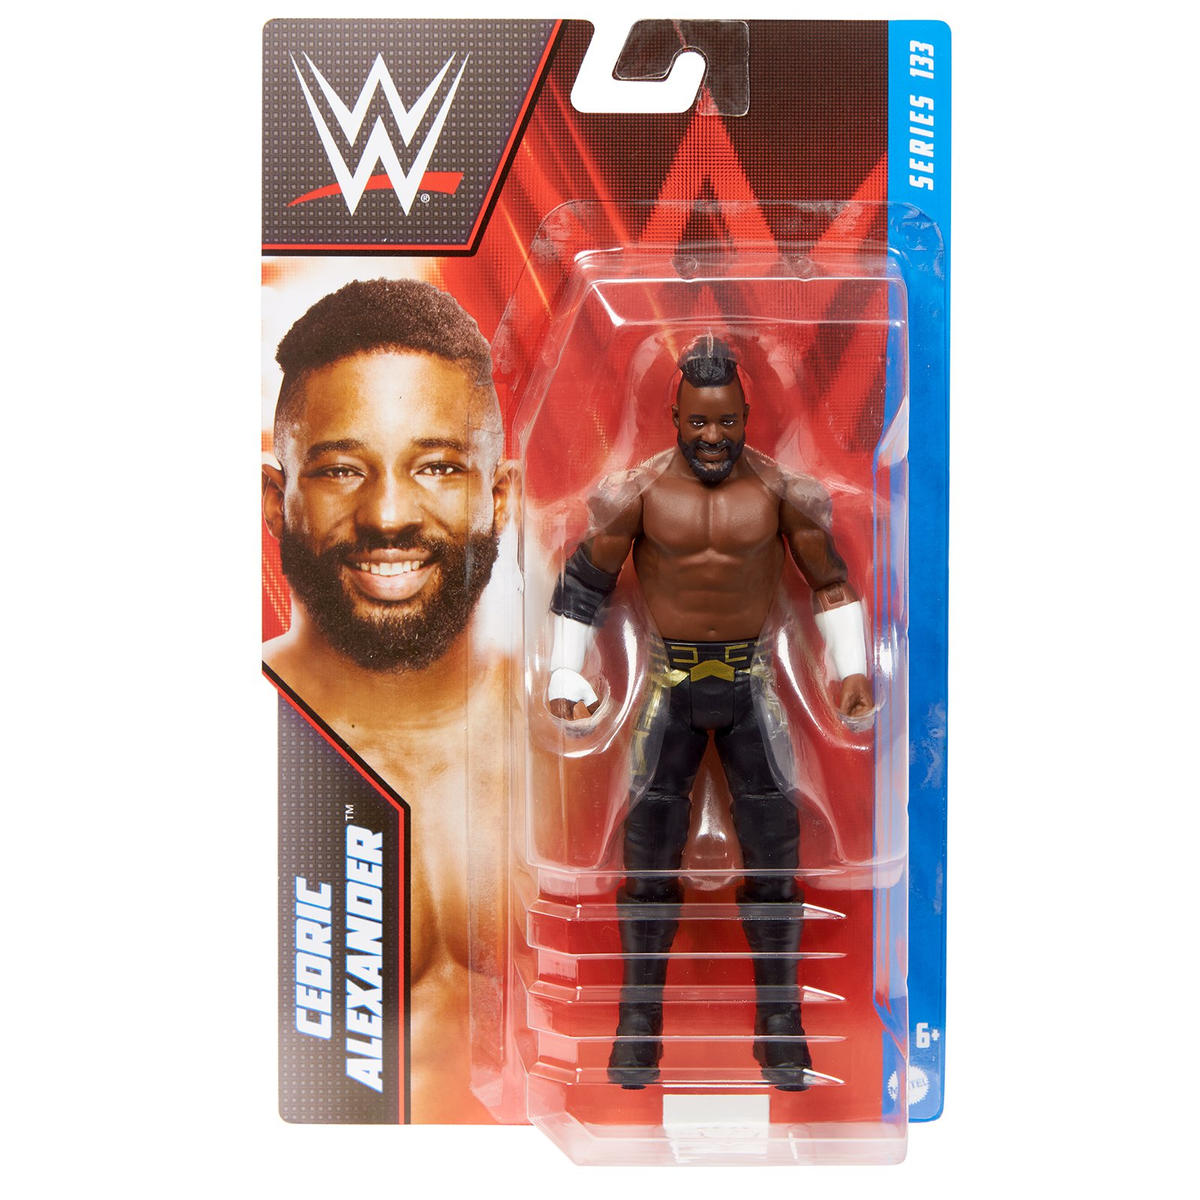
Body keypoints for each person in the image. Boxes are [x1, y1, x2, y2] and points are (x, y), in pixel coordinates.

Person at [547, 337, 872, 1091]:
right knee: (648, 867)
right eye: (698, 422)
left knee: (776, 866)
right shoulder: (636, 494)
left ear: (747, 415)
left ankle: (782, 1034)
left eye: (726, 421)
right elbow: (585, 583)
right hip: (669, 689)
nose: (713, 437)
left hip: (754, 687)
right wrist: (566, 668)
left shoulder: (784, 493)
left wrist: (850, 667)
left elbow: (829, 581)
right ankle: (636, 1035)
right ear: (674, 417)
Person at [263, 278, 515, 1122]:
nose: (389, 514)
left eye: (437, 466)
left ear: (501, 497)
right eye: (341, 470)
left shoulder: (579, 740)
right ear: (275, 502)